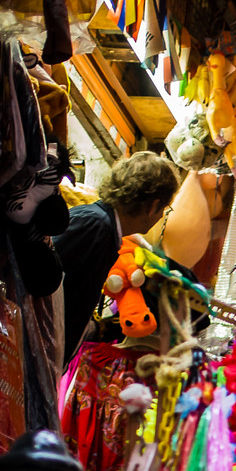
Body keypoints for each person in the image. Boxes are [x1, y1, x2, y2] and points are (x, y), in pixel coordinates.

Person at [54, 152, 183, 363]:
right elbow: (42, 283)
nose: (161, 216)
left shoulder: (103, 227)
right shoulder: (95, 225)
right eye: (165, 209)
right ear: (153, 206)